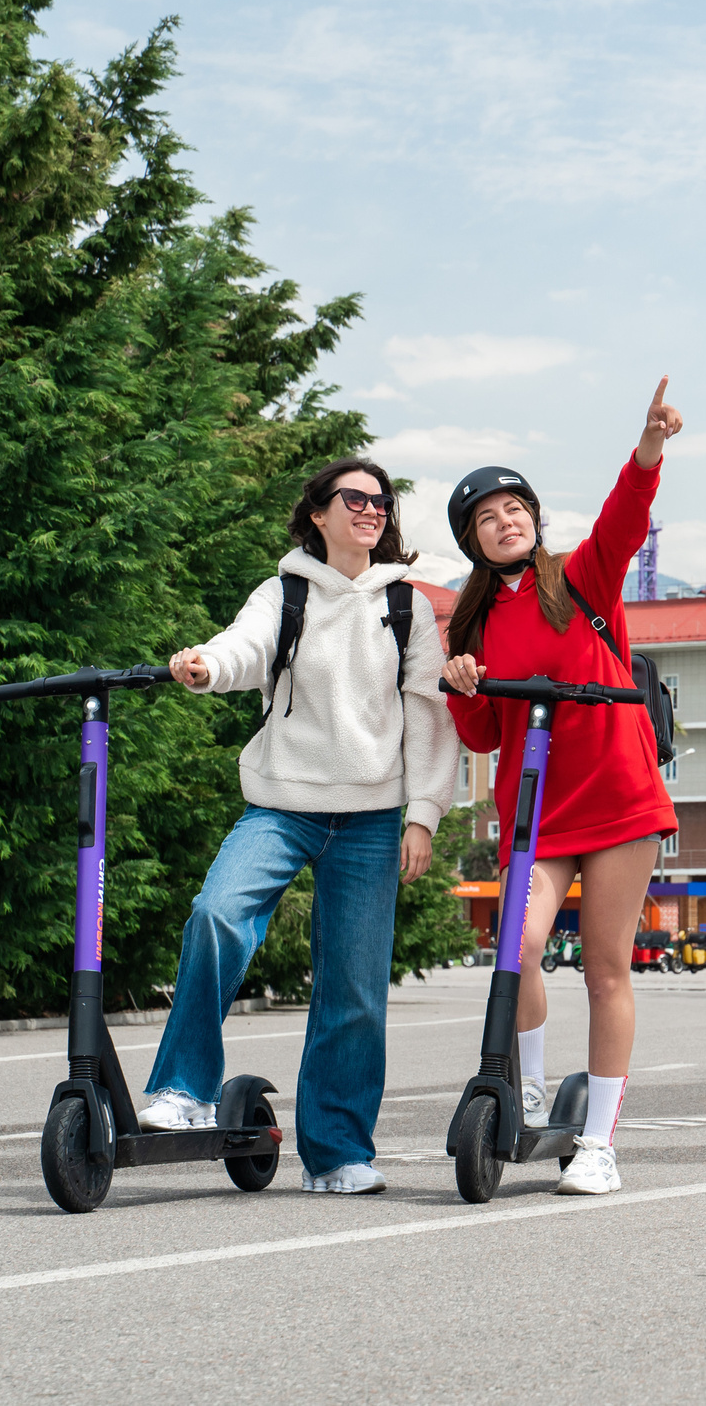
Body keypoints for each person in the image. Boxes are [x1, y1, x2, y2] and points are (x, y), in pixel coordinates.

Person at [146, 458, 460, 1194]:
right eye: (355, 498)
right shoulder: (283, 591)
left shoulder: (408, 607)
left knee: (353, 989)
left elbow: (429, 714)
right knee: (217, 913)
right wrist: (205, 666)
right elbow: (243, 645)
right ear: (318, 512)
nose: (371, 509)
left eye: (381, 501)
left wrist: (424, 814)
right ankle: (182, 1088)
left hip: (374, 820)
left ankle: (339, 1149)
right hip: (282, 806)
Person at [443, 378, 685, 1197]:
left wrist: (648, 444)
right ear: (473, 539)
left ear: (534, 517)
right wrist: (462, 684)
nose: (506, 519)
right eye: (488, 515)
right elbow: (482, 735)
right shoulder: (472, 623)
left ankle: (600, 1143)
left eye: (516, 507)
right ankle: (534, 1088)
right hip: (537, 816)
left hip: (618, 798)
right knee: (517, 949)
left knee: (607, 969)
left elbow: (625, 514)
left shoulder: (579, 579)